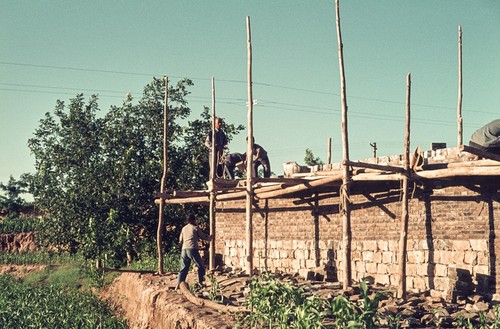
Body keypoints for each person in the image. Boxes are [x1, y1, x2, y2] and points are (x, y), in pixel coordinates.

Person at [176, 214, 213, 289]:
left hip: (184, 249)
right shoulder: (195, 228)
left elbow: (180, 240)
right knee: (201, 266)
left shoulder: (184, 228)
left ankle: (179, 283)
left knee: (184, 267)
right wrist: (210, 237)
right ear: (193, 220)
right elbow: (203, 237)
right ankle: (201, 282)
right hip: (192, 249)